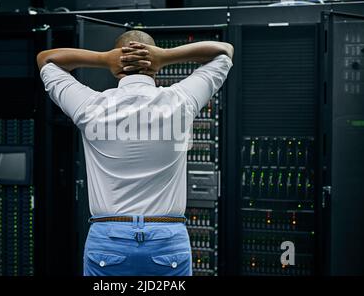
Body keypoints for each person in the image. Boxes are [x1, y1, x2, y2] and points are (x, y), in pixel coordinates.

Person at [37, 30, 233, 276]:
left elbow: (46, 60)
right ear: (155, 66)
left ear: (116, 67)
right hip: (167, 239)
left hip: (108, 238)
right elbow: (224, 52)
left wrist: (103, 58)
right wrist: (166, 55)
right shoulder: (180, 101)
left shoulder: (90, 106)